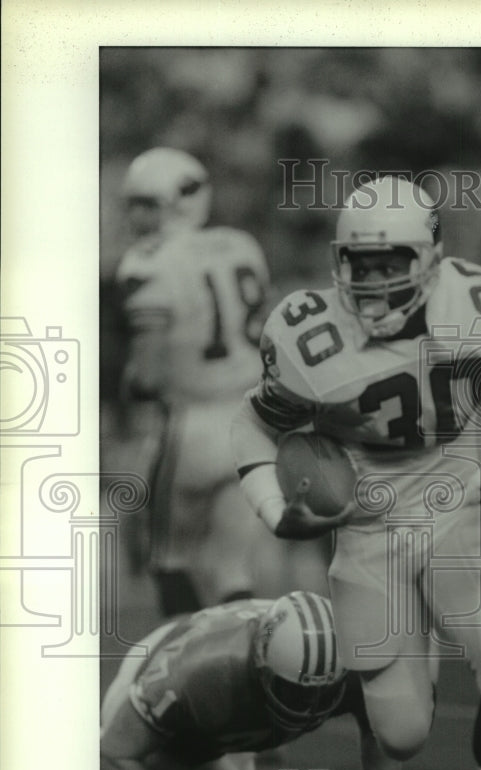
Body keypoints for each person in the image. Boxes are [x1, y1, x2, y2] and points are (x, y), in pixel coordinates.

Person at [231, 175, 481, 770]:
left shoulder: (478, 305)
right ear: (337, 261)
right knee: (403, 733)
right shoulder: (305, 334)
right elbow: (253, 424)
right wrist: (272, 508)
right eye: (361, 261)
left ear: (433, 255)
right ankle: (412, 643)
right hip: (367, 518)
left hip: (458, 493)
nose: (375, 278)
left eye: (392, 260)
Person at [113, 146, 329, 615]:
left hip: (188, 426)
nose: (136, 215)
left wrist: (130, 384)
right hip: (252, 426)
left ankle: (187, 676)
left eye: (147, 203)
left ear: (177, 201)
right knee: (235, 573)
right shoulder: (240, 245)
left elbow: (147, 372)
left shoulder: (146, 262)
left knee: (168, 559)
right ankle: (243, 674)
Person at [100, 591, 444, 770]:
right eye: (295, 692)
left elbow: (377, 722)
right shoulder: (202, 672)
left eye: (323, 691)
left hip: (225, 724)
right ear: (261, 664)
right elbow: (115, 752)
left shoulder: (353, 662)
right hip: (155, 686)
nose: (309, 705)